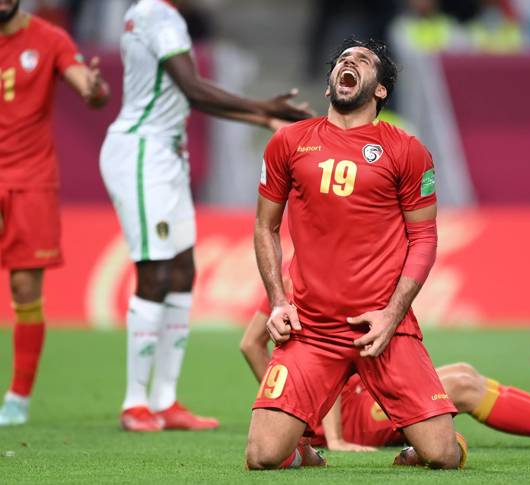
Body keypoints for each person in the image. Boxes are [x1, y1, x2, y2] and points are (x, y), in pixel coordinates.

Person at [246, 37, 467, 471]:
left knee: (442, 455)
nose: (349, 62)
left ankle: (426, 441)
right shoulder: (289, 142)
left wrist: (392, 314)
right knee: (261, 456)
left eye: (363, 61)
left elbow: (424, 239)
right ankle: (305, 450)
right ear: (330, 86)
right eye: (343, 60)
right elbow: (264, 226)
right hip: (312, 328)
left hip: (382, 328)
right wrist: (277, 301)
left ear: (380, 89)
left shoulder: (407, 150)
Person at [99, 0, 311, 433]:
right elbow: (194, 89)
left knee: (181, 272)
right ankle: (135, 403)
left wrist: (262, 116)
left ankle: (165, 400)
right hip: (141, 153)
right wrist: (260, 104)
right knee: (154, 272)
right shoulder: (157, 14)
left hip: (166, 156)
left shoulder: (166, 16)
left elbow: (187, 95)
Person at [242, 303, 530, 451]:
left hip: (362, 394)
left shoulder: (308, 270)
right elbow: (264, 347)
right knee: (461, 387)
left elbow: (253, 346)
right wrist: (312, 423)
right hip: (353, 415)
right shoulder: (298, 279)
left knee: (463, 373)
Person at [0, 0, 110, 426]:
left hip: (30, 180)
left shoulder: (49, 39)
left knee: (25, 288)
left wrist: (93, 87)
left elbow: (89, 88)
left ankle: (18, 397)